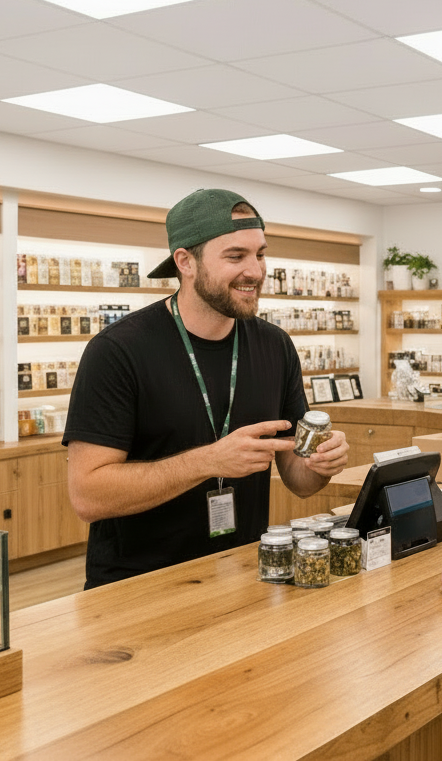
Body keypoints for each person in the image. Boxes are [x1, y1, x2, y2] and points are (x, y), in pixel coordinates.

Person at [64, 188, 349, 589]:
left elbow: (299, 481)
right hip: (138, 589)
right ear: (186, 262)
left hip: (247, 574)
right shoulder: (117, 351)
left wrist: (321, 465)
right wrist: (209, 462)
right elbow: (87, 496)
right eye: (235, 256)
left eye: (260, 254)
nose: (256, 271)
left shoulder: (275, 346)